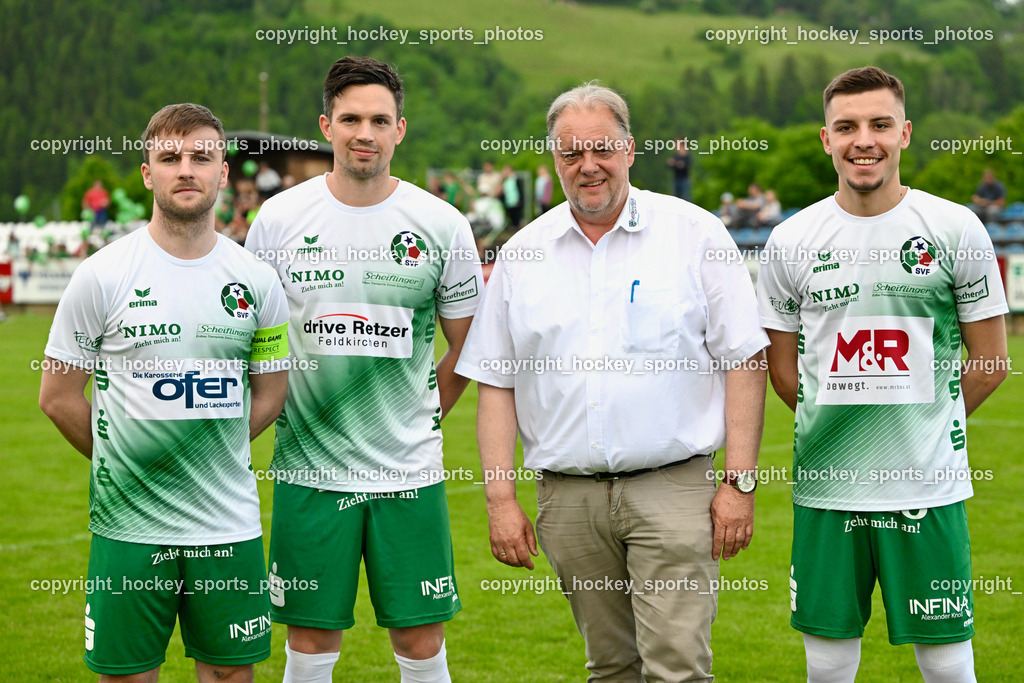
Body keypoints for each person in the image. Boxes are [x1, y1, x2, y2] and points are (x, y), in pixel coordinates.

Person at [456, 82, 768, 681]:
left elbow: (744, 361)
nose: (587, 165)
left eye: (601, 148)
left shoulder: (694, 233)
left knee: (676, 667)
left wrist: (741, 482)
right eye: (571, 153)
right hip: (568, 500)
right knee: (610, 668)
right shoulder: (523, 253)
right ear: (554, 160)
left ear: (630, 149)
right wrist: (499, 500)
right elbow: (495, 384)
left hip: (673, 491)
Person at [757, 66, 1008, 683]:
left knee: (948, 663)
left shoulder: (954, 228)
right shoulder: (791, 240)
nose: (862, 139)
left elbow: (991, 362)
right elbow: (785, 373)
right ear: (826, 139)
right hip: (827, 488)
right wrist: (851, 425)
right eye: (846, 127)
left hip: (927, 489)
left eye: (878, 124)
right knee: (828, 663)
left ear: (905, 133)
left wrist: (923, 421)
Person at [244, 56, 482, 683]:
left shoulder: (440, 223)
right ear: (326, 126)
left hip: (408, 472)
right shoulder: (279, 220)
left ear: (400, 130)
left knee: (421, 638)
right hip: (309, 469)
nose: (365, 133)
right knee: (311, 640)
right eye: (350, 118)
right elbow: (254, 345)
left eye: (380, 119)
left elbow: (471, 345)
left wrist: (429, 407)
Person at [39, 103, 291, 681]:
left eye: (201, 157)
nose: (186, 169)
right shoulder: (100, 275)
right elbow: (56, 395)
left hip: (227, 524)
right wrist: (122, 460)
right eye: (170, 157)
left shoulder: (256, 280)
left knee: (230, 674)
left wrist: (210, 443)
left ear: (224, 172)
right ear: (147, 172)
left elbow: (271, 392)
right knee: (127, 675)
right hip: (128, 525)